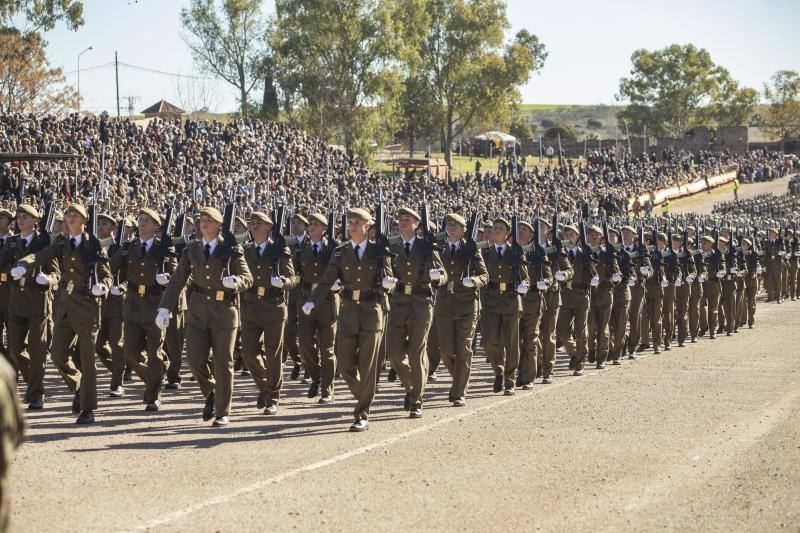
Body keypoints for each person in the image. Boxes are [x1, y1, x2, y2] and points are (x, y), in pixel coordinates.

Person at [12, 204, 113, 424]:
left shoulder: (94, 245)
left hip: (87, 306)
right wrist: (23, 264)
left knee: (87, 360)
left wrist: (102, 287)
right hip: (66, 307)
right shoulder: (62, 243)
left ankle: (88, 408)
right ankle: (79, 387)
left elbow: (107, 275)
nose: (70, 218)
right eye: (68, 215)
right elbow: (41, 255)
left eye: (75, 215)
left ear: (84, 221)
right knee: (58, 355)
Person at [157, 206, 253, 427]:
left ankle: (222, 411)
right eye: (202, 220)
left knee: (223, 363)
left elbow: (247, 278)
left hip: (224, 311)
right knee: (194, 358)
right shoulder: (192, 251)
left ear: (220, 225)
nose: (204, 223)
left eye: (209, 220)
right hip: (198, 311)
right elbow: (177, 280)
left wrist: (236, 282)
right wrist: (165, 307)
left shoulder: (231, 249)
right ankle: (211, 391)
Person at [302, 207, 393, 432]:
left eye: (357, 222)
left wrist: (390, 284)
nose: (352, 226)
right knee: (345, 366)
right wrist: (313, 300)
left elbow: (389, 277)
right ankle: (364, 395)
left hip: (372, 311)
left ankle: (362, 413)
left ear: (368, 226)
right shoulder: (341, 252)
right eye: (350, 222)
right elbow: (326, 280)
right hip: (348, 312)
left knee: (368, 365)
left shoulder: (379, 251)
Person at [109, 208, 175, 412]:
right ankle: (155, 376)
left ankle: (153, 396)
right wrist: (113, 283)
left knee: (154, 353)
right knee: (130, 352)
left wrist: (167, 278)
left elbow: (178, 274)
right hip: (133, 304)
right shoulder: (129, 247)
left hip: (155, 304)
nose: (142, 223)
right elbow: (111, 268)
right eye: (140, 220)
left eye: (148, 221)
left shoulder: (164, 248)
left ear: (157, 226)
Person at [386, 207, 446, 418]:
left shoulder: (427, 246)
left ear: (417, 225)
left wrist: (436, 275)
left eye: (407, 219)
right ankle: (411, 386)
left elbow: (443, 275)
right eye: (400, 219)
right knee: (394, 354)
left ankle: (416, 400)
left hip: (421, 303)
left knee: (416, 353)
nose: (402, 222)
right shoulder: (392, 246)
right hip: (399, 302)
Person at [240, 211, 298, 415]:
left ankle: (273, 396)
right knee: (248, 352)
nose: (255, 225)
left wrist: (283, 282)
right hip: (250, 304)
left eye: (259, 223)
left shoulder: (280, 250)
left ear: (269, 227)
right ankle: (265, 386)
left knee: (273, 354)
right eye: (252, 223)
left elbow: (293, 278)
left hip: (273, 305)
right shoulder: (245, 250)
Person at [1, 204, 59, 409]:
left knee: (37, 351)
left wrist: (48, 280)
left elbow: (56, 274)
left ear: (36, 221)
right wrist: (10, 273)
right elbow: (2, 266)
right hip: (16, 300)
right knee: (15, 349)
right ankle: (25, 388)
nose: (20, 220)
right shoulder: (11, 242)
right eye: (19, 217)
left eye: (26, 217)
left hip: (38, 302)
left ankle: (36, 394)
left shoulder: (45, 242)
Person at [435, 213, 487, 405]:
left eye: (455, 224)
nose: (451, 227)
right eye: (449, 223)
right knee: (446, 350)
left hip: (467, 305)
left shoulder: (471, 249)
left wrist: (474, 281)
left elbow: (484, 275)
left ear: (464, 229)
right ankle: (459, 379)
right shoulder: (439, 248)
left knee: (464, 349)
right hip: (445, 304)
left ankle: (459, 392)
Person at [480, 218, 530, 394]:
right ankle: (498, 371)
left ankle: (509, 380)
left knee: (511, 343)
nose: (497, 230)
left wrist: (524, 285)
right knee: (489, 342)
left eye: (501, 228)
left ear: (508, 232)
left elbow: (525, 277)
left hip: (510, 299)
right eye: (495, 228)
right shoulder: (485, 253)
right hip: (491, 300)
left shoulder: (516, 252)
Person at [294, 213, 338, 404]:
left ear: (324, 229)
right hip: (305, 302)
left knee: (327, 348)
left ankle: (327, 388)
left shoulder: (334, 249)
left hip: (327, 302)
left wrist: (339, 283)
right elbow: (295, 273)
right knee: (304, 343)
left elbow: (343, 271)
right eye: (310, 224)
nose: (311, 227)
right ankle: (316, 376)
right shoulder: (301, 249)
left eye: (316, 224)